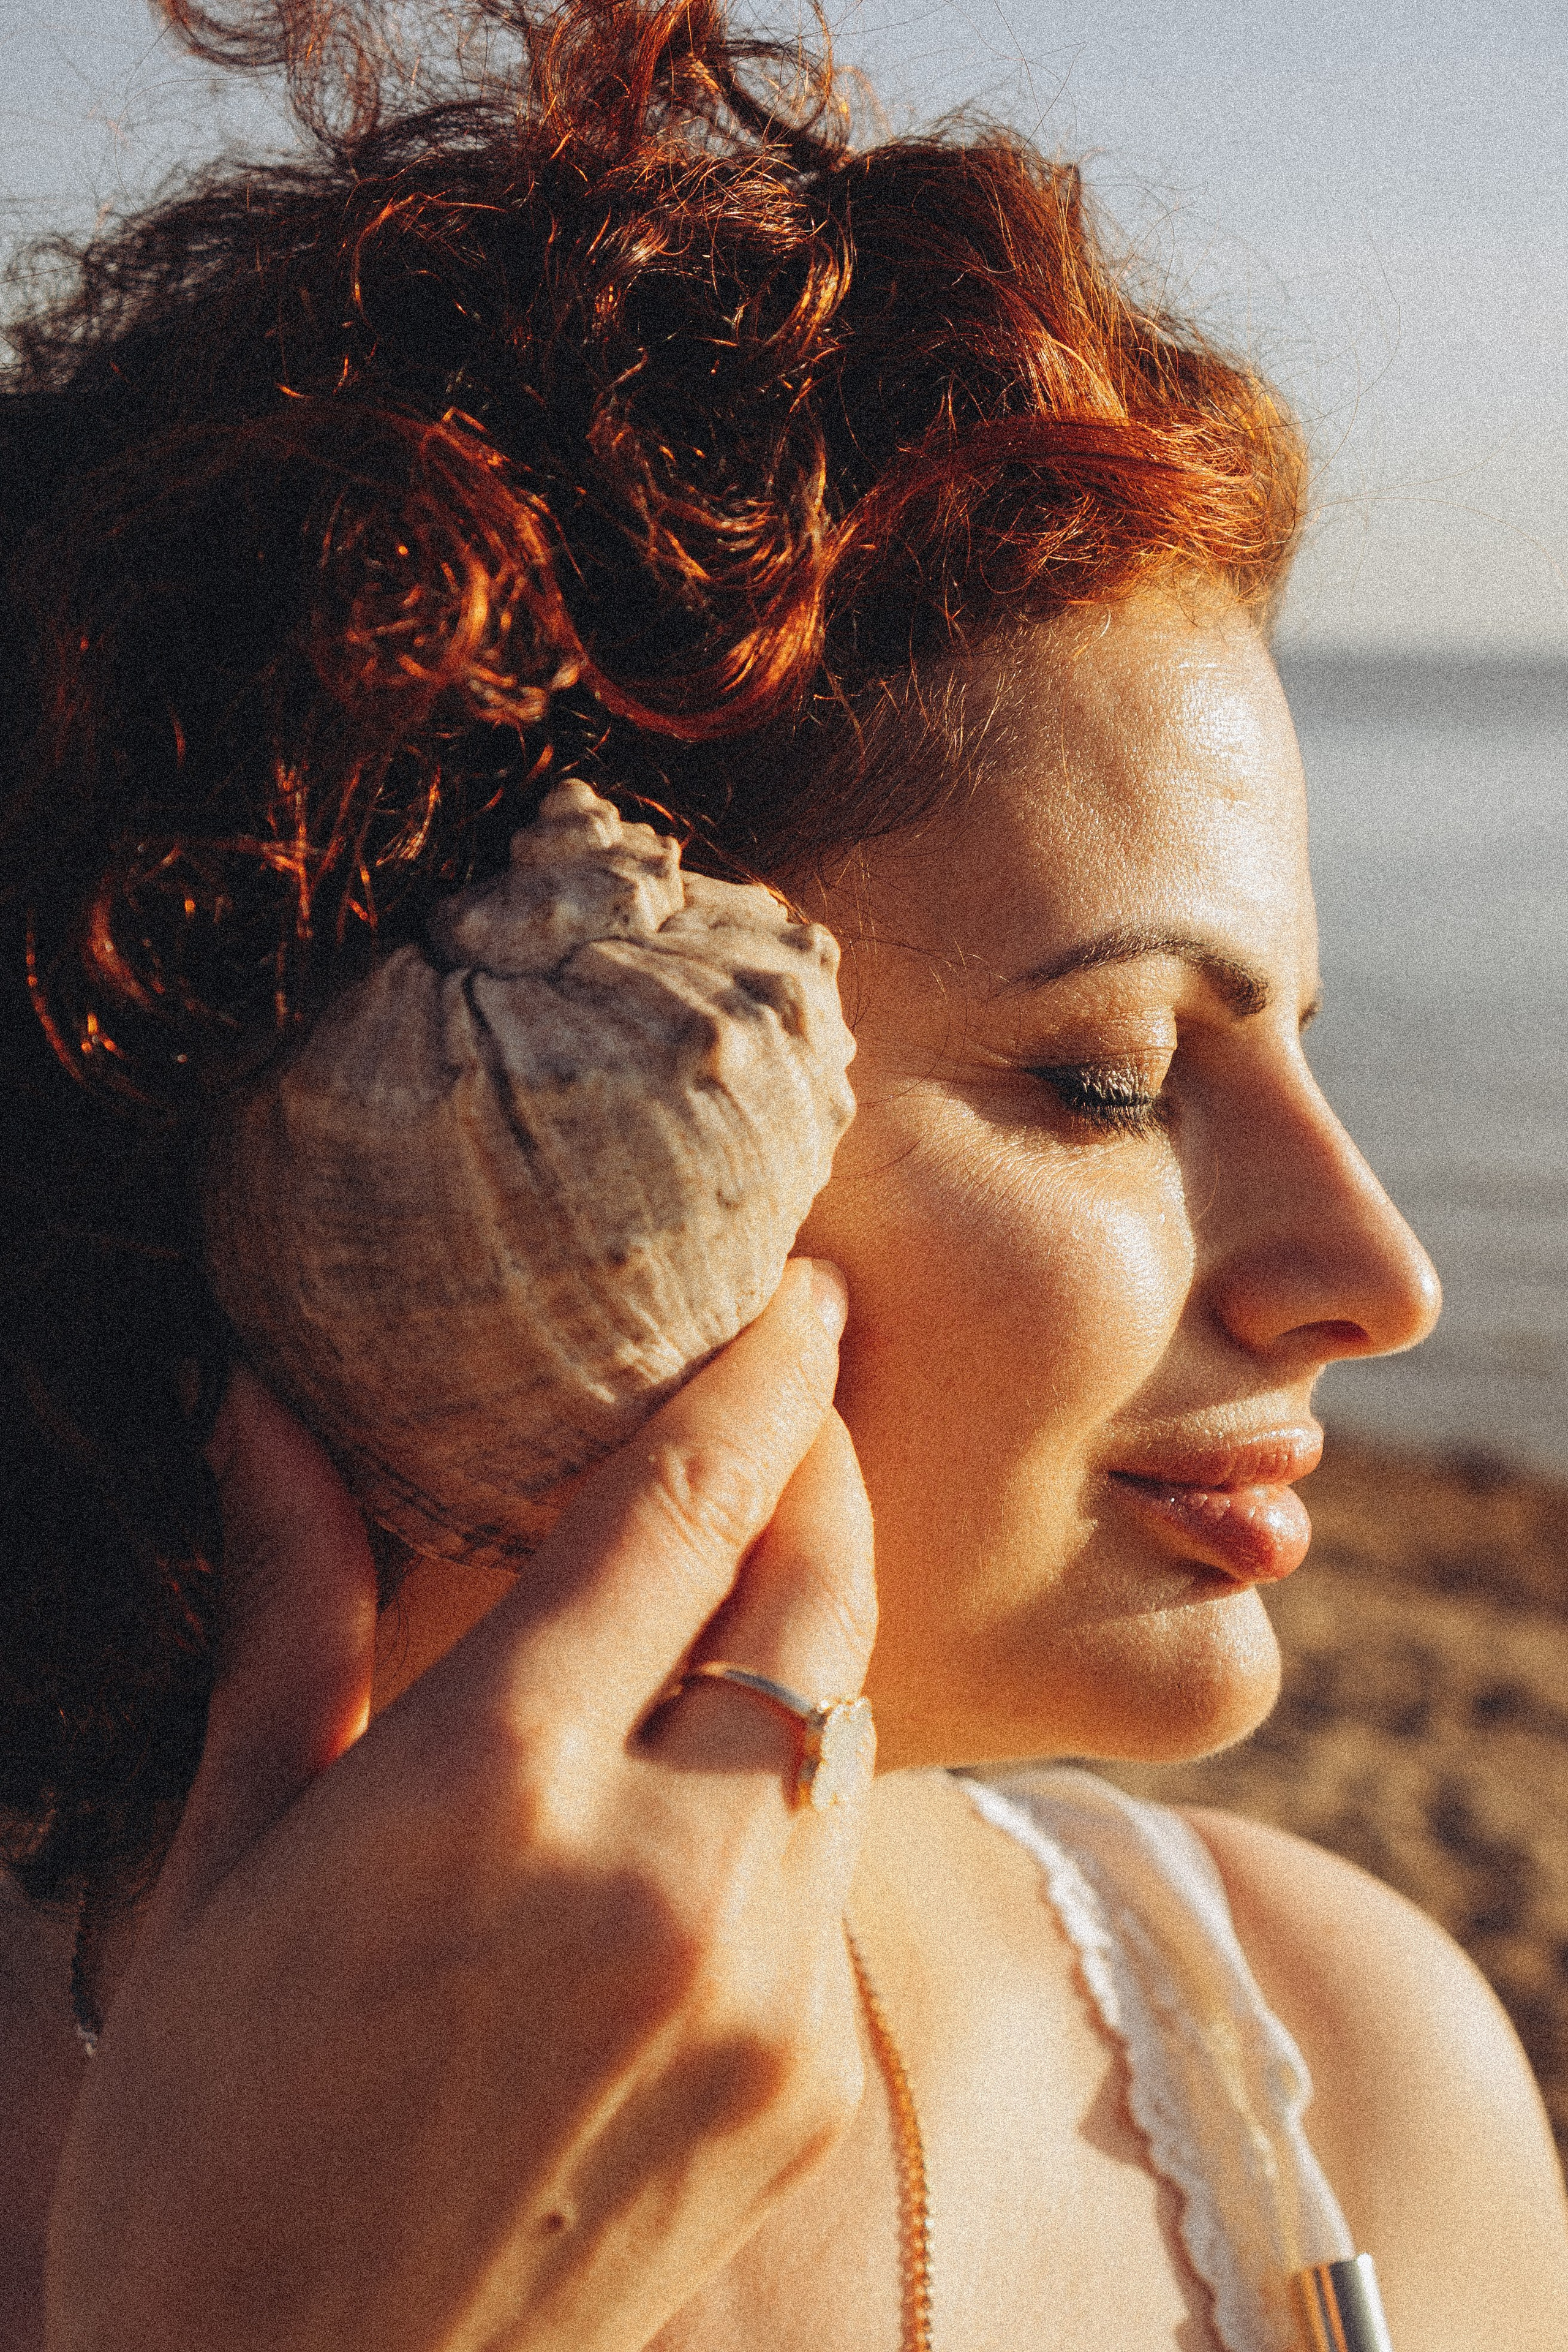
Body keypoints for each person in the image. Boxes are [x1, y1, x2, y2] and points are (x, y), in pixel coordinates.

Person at [2, 2, 1565, 2345]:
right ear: (443, 1133)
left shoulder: (1345, 2076)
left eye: (1305, 1048)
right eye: (1116, 1078)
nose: (1378, 1277)